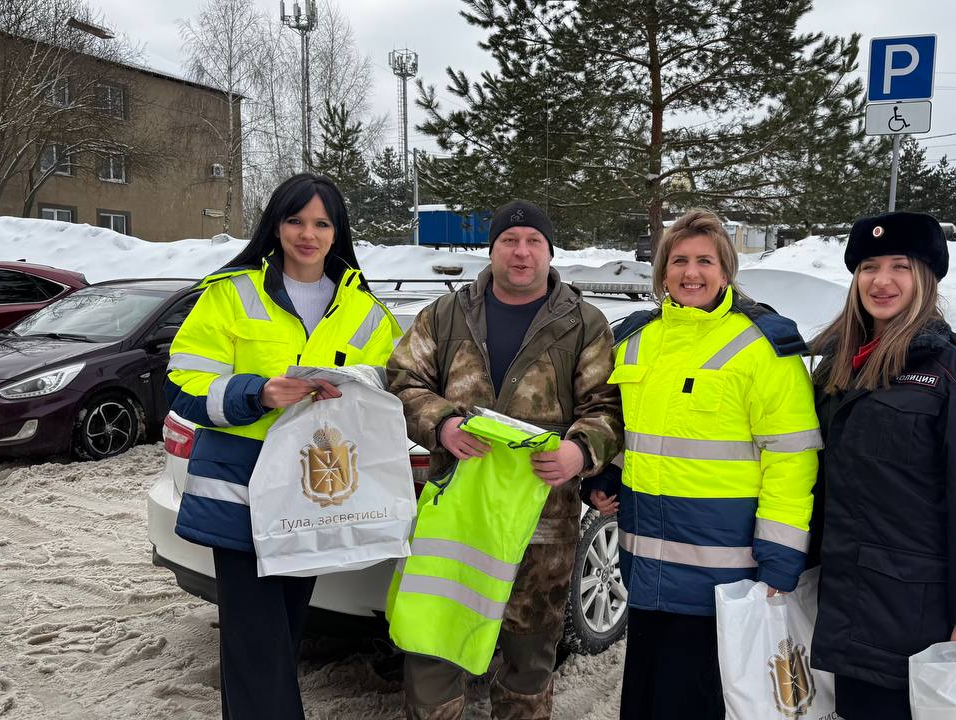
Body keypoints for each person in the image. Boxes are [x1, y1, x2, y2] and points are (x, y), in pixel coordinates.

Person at [165, 173, 401, 720]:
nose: (307, 234)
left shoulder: (367, 314)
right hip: (239, 490)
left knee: (284, 636)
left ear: (337, 232)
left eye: (322, 223)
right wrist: (259, 391)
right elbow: (182, 385)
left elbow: (394, 390)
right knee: (256, 643)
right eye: (295, 220)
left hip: (312, 493)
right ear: (276, 223)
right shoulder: (230, 293)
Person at [387, 199, 622, 720]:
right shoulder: (445, 315)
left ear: (549, 250)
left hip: (542, 521)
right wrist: (442, 424)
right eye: (509, 241)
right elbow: (402, 382)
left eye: (532, 241)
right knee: (434, 650)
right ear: (491, 250)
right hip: (457, 517)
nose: (521, 252)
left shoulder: (582, 323)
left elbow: (607, 407)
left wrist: (578, 451)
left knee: (529, 663)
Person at [586, 208, 822, 719]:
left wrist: (782, 552)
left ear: (726, 270)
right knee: (647, 697)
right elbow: (632, 432)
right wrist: (607, 474)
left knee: (704, 700)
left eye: (705, 261)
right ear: (662, 271)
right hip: (645, 566)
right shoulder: (634, 338)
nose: (691, 273)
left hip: (726, 572)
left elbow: (792, 456)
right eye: (679, 261)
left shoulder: (762, 344)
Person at [806, 211, 956, 720]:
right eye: (867, 267)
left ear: (926, 276)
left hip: (916, 609)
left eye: (900, 266)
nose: (881, 281)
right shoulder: (837, 361)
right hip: (844, 594)